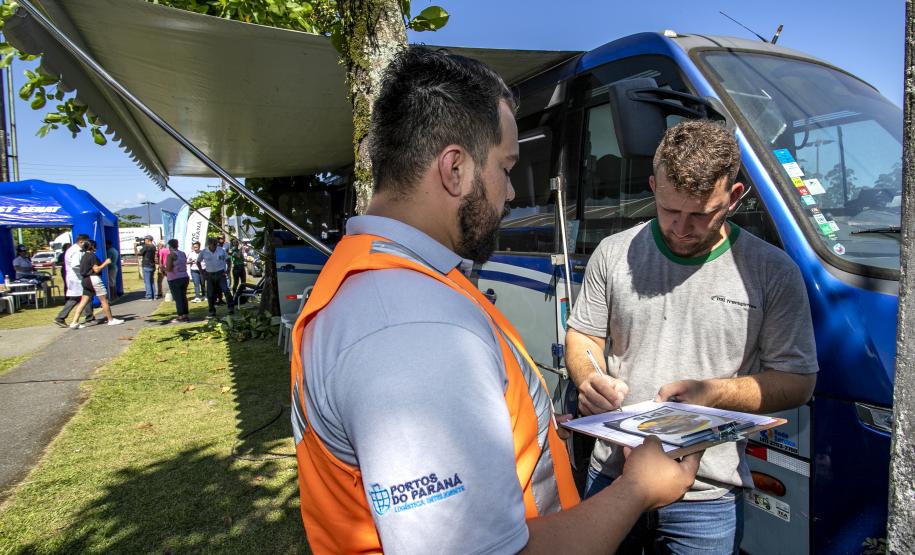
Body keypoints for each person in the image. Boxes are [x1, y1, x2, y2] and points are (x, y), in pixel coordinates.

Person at [290, 46, 701, 554]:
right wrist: (638, 489)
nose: (510, 193)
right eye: (506, 167)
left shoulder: (389, 278)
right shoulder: (409, 329)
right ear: (455, 170)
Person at [565, 119, 819, 554]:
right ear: (653, 186)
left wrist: (711, 393)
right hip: (612, 475)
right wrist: (589, 377)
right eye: (668, 210)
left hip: (706, 496)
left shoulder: (772, 272)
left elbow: (798, 381)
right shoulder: (613, 253)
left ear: (734, 198)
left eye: (701, 214)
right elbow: (583, 336)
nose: (681, 227)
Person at [69, 240, 123, 328]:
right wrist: (106, 263)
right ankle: (110, 320)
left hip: (85, 280)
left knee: (83, 302)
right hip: (93, 279)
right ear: (92, 247)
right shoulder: (92, 256)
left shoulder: (83, 256)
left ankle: (74, 322)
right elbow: (96, 269)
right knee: (104, 300)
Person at [54, 236, 94, 327]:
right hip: (77, 277)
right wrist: (85, 271)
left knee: (76, 298)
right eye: (86, 242)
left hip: (74, 277)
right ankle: (89, 317)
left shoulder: (73, 249)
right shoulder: (77, 251)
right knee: (86, 296)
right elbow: (75, 265)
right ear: (81, 242)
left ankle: (61, 317)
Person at [196, 236, 234, 318]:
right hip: (209, 275)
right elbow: (198, 262)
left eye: (216, 244)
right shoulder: (204, 251)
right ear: (209, 244)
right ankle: (212, 310)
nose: (215, 245)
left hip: (221, 274)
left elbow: (228, 260)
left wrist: (228, 270)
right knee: (210, 294)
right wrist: (202, 272)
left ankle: (231, 307)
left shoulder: (221, 250)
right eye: (213, 244)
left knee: (226, 290)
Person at [164, 239, 190, 323]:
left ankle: (180, 315)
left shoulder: (171, 255)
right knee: (183, 296)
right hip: (184, 276)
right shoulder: (182, 253)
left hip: (174, 278)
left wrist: (162, 268)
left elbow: (168, 268)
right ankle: (185, 314)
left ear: (169, 246)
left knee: (178, 298)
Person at [138, 235, 158, 300]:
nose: (144, 241)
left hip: (146, 265)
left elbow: (138, 253)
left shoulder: (146, 246)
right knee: (151, 281)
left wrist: (135, 247)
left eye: (145, 239)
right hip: (152, 265)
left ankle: (149, 296)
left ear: (148, 240)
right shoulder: (153, 246)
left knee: (147, 282)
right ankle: (154, 295)